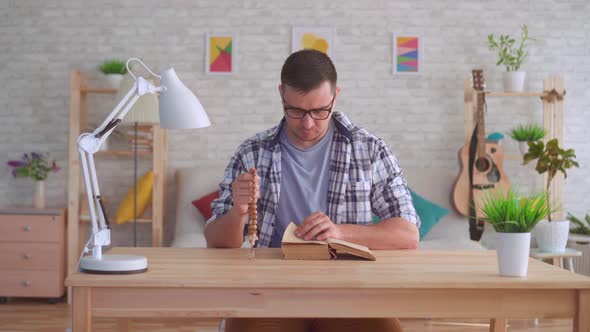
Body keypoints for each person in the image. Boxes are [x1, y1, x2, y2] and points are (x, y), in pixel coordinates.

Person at [204, 49, 420, 332]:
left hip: (352, 291)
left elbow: (408, 234)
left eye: (320, 111)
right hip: (269, 293)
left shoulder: (370, 150)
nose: (307, 123)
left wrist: (340, 233)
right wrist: (237, 213)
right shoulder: (252, 152)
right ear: (281, 94)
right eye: (295, 111)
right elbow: (214, 239)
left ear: (336, 95)